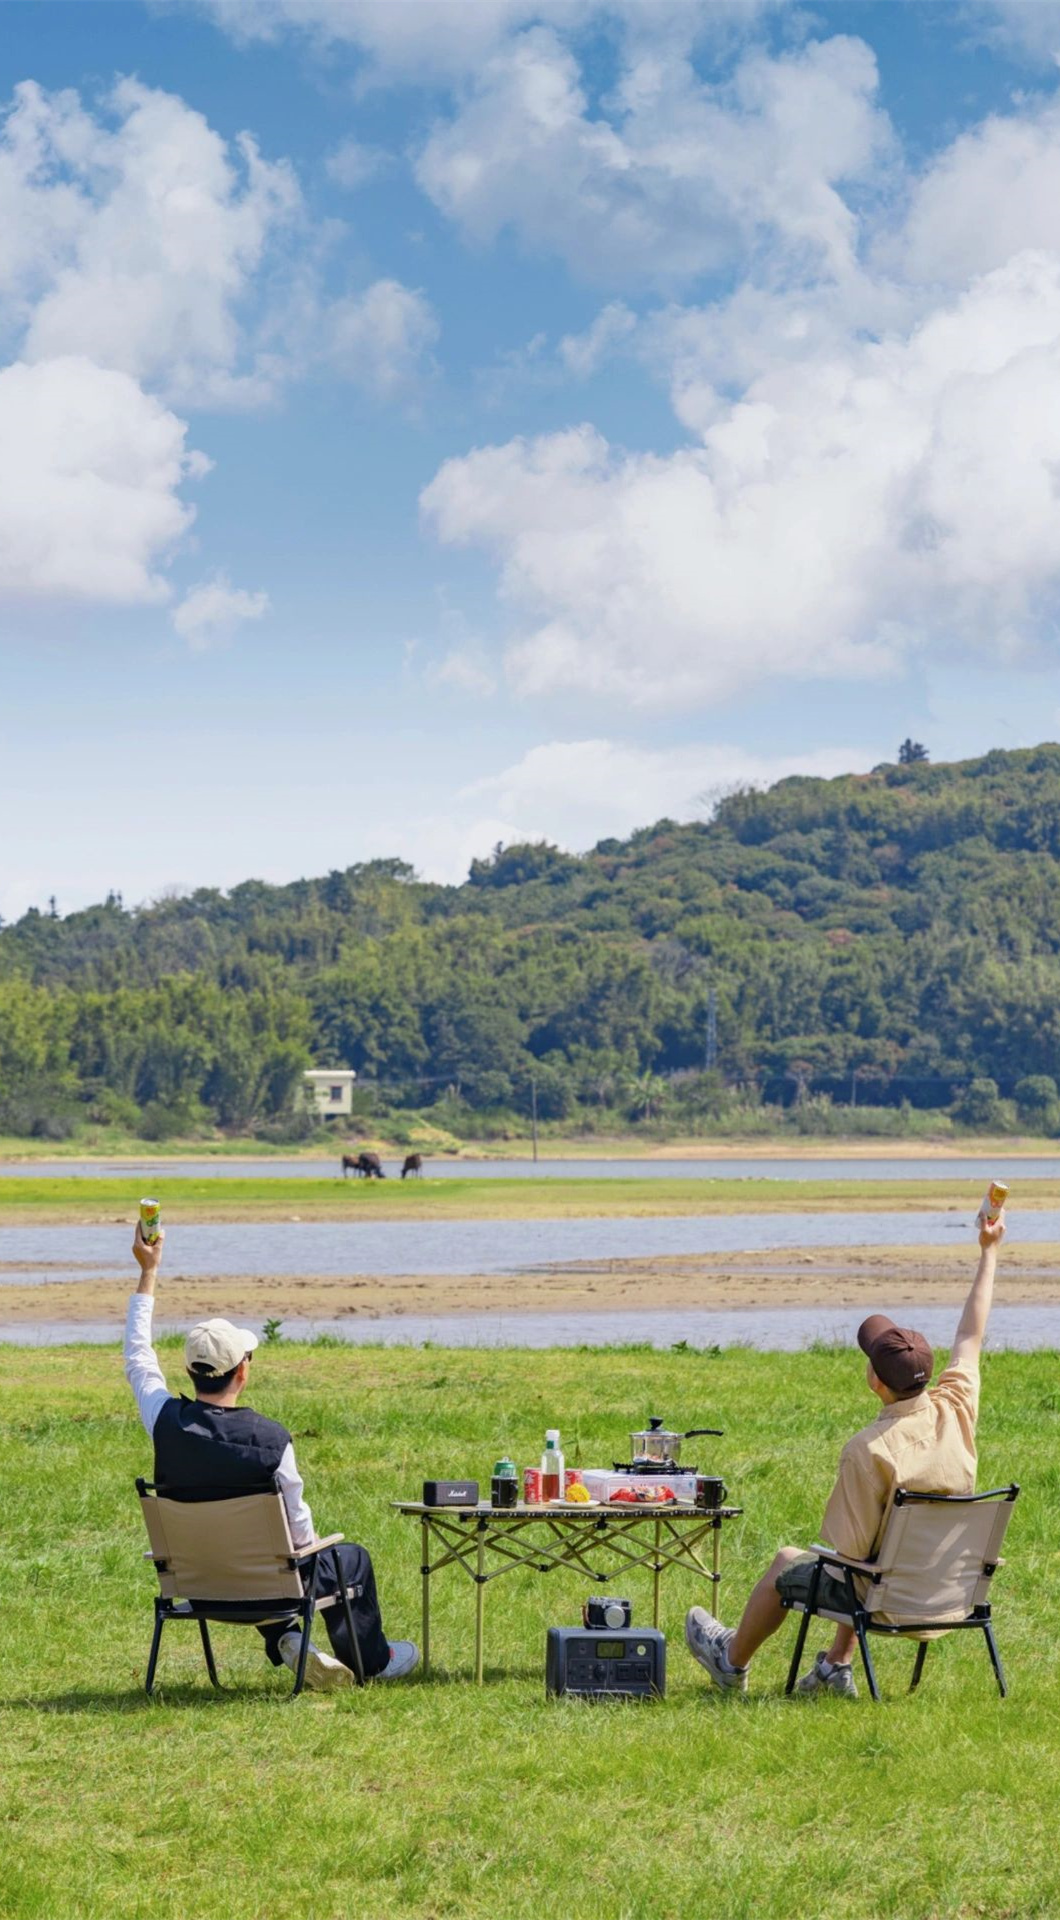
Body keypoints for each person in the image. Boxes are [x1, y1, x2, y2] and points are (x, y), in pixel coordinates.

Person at [685, 1203, 1007, 1699]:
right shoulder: (958, 1407)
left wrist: (804, 1559)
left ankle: (730, 1661)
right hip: (952, 1598)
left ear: (876, 1382)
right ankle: (837, 1666)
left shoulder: (868, 1450)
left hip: (889, 1602)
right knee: (878, 1552)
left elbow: (849, 1558)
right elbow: (971, 1333)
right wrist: (990, 1251)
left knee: (790, 1562)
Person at [124, 1223, 418, 1691]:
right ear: (242, 1371)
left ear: (189, 1371)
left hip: (197, 1582)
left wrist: (148, 1272)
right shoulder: (272, 1440)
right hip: (266, 1586)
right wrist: (317, 1549)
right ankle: (373, 1663)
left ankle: (287, 1638)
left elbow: (138, 1358)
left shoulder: (163, 1419)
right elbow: (299, 1535)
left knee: (252, 1559)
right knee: (350, 1559)